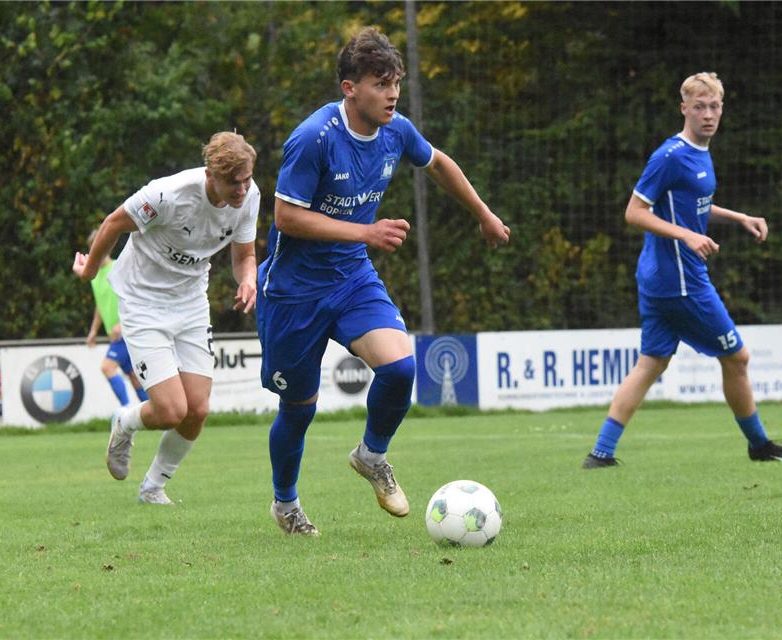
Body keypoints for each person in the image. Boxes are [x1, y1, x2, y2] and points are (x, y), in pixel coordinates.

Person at [257, 27, 511, 535]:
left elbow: (438, 164)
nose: (392, 92)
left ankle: (371, 455)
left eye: (395, 82)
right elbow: (286, 218)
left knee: (399, 368)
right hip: (293, 292)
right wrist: (365, 231)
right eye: (380, 83)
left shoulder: (397, 130)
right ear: (350, 88)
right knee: (299, 407)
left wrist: (482, 213)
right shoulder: (314, 138)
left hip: (351, 278)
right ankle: (285, 505)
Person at [583, 72, 782, 469]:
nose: (708, 114)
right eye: (699, 107)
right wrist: (686, 236)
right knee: (737, 358)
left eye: (714, 106)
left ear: (722, 109)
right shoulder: (670, 156)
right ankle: (759, 445)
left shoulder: (701, 153)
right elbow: (634, 212)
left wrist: (739, 216)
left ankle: (601, 452)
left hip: (659, 278)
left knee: (651, 362)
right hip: (680, 282)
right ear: (684, 108)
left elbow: (694, 206)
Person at [73, 131, 260, 504]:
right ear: (210, 175)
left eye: (246, 180)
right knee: (172, 409)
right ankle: (125, 422)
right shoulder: (167, 195)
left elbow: (243, 257)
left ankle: (153, 486)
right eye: (232, 183)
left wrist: (248, 280)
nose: (241, 190)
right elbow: (112, 223)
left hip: (190, 302)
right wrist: (91, 272)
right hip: (142, 301)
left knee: (198, 410)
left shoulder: (250, 198)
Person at [84, 227, 149, 407]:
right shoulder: (95, 276)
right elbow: (100, 304)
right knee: (135, 378)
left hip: (125, 330)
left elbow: (132, 295)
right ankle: (159, 414)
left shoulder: (116, 268)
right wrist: (93, 331)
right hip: (116, 334)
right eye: (93, 246)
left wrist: (121, 323)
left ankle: (125, 410)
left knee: (107, 367)